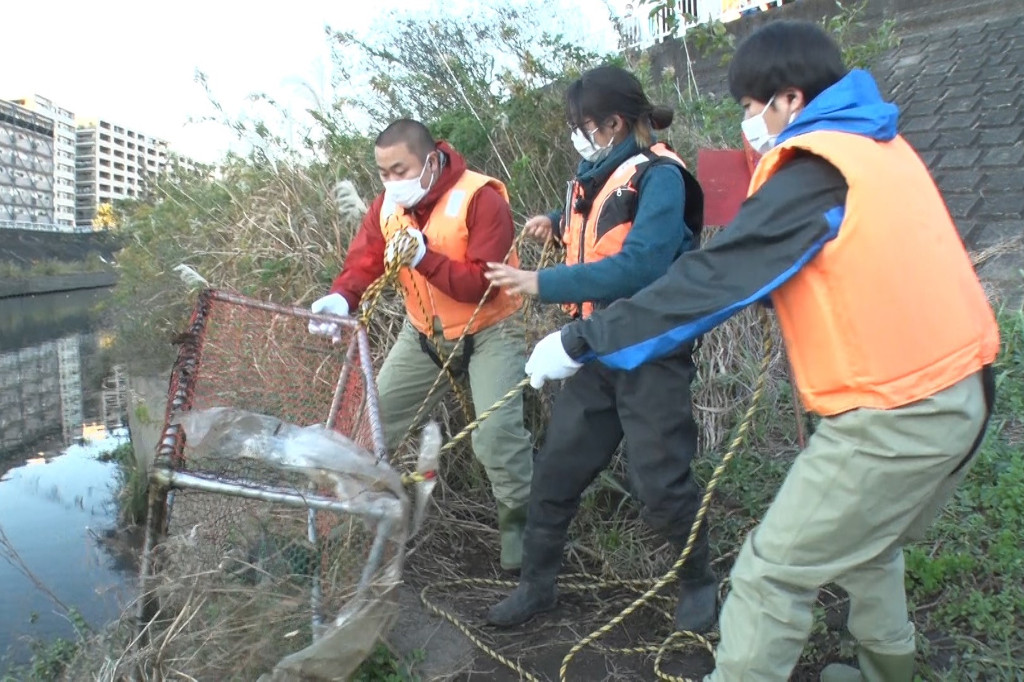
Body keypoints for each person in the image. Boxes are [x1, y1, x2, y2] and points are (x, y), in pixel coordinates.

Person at [520, 21, 999, 682]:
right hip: (962, 387)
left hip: (896, 410)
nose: (749, 122)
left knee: (770, 575)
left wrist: (579, 338)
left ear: (789, 100)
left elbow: (711, 281)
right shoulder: (880, 148)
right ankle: (888, 668)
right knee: (871, 544)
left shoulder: (815, 169)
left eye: (750, 108)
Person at [483, 65, 717, 634]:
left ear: (615, 123)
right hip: (596, 353)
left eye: (584, 126)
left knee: (660, 482)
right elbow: (597, 219)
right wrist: (556, 221)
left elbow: (642, 264)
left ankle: (698, 583)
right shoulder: (602, 170)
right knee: (556, 471)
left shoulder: (661, 177)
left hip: (650, 354)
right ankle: (536, 588)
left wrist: (543, 283)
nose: (578, 136)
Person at [307, 119, 535, 571]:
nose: (391, 182)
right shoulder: (387, 208)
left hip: (492, 328)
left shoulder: (481, 199)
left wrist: (423, 259)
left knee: (497, 438)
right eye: (383, 173)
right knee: (371, 427)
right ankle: (352, 529)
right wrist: (341, 298)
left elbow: (482, 287)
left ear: (430, 161)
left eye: (400, 170)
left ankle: (523, 546)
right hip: (423, 335)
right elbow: (365, 259)